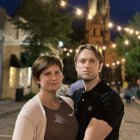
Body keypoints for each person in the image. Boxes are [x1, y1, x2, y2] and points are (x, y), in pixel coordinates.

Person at [12, 55, 78, 140]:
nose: (54, 78)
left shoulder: (69, 103)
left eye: (57, 72)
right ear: (37, 79)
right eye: (47, 74)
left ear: (62, 75)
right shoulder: (30, 111)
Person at [72, 44, 124, 140]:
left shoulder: (110, 98)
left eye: (92, 61)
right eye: (82, 61)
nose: (87, 65)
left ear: (100, 67)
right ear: (76, 66)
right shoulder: (77, 94)